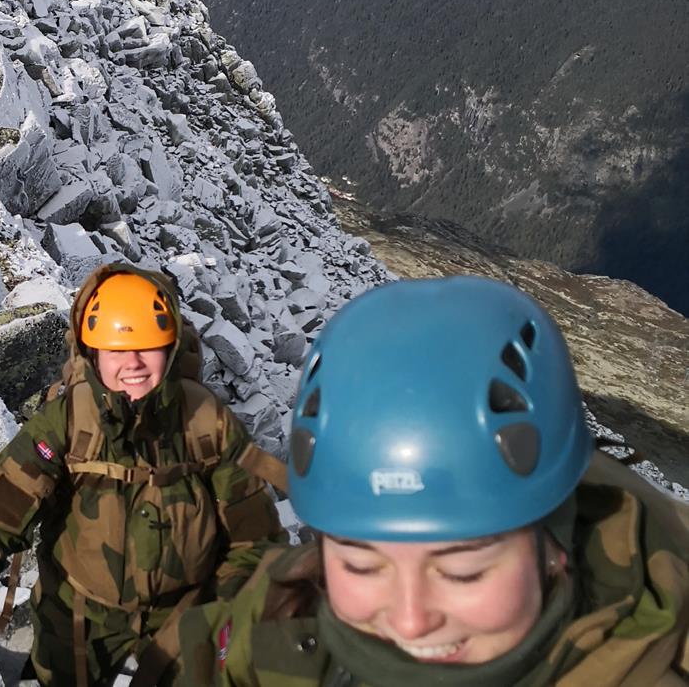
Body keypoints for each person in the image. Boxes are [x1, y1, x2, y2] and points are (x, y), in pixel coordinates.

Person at [177, 276, 689, 686]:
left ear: (554, 544)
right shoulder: (278, 609)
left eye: (464, 571)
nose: (410, 622)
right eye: (359, 564)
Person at [0, 264, 286, 686]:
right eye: (115, 350)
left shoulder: (208, 423)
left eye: (147, 347)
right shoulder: (67, 423)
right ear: (92, 353)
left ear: (171, 350)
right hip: (78, 614)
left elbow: (255, 540)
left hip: (185, 609)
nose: (132, 363)